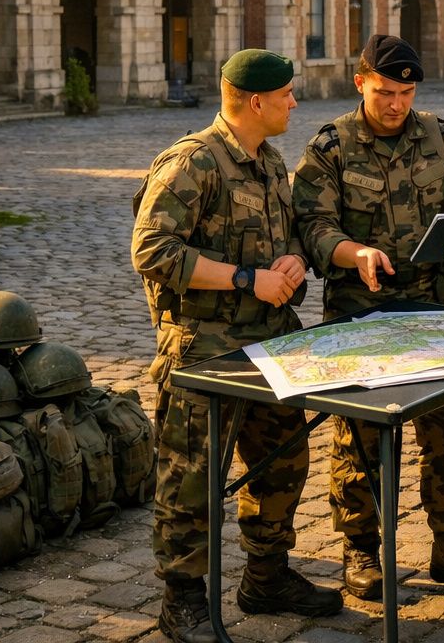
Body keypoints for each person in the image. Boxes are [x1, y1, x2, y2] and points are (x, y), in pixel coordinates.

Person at [293, 34, 444, 600]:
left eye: (407, 91)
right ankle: (361, 551)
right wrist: (354, 252)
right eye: (386, 91)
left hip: (438, 308)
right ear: (361, 82)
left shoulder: (443, 140)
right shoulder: (331, 148)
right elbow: (312, 225)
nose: (397, 104)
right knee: (361, 437)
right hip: (360, 310)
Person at [131, 49, 342, 643]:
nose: (295, 103)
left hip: (272, 345)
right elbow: (151, 251)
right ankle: (182, 600)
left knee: (282, 465)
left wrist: (294, 261)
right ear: (255, 101)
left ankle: (266, 576)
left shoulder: (271, 163)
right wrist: (248, 279)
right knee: (191, 477)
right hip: (205, 352)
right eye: (286, 96)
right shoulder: (192, 164)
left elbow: (293, 234)